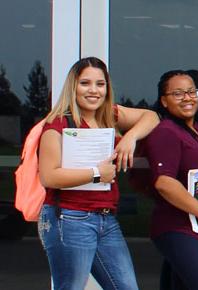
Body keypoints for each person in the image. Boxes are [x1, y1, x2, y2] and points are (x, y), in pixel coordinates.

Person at [36, 56, 160, 290]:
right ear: (73, 86)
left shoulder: (109, 116)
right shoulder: (59, 124)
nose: (93, 90)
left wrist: (130, 138)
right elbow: (49, 176)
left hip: (105, 218)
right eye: (85, 83)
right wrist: (95, 173)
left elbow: (151, 117)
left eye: (100, 84)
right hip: (69, 217)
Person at [142, 70, 198, 290]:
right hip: (179, 227)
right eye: (178, 93)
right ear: (164, 101)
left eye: (192, 91)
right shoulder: (166, 132)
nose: (187, 98)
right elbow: (164, 182)